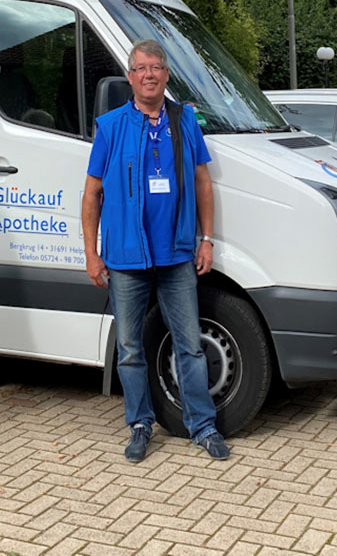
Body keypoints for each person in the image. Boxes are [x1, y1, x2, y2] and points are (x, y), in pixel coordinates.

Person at [81, 39, 229, 463]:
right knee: (130, 349)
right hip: (126, 257)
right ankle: (140, 424)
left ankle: (202, 425)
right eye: (141, 68)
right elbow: (92, 194)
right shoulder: (111, 126)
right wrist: (91, 253)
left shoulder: (184, 121)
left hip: (177, 254)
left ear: (166, 75)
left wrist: (206, 238)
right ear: (130, 77)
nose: (149, 74)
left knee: (190, 346)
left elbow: (202, 182)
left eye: (156, 67)